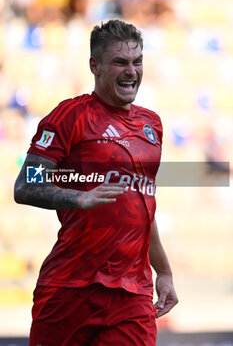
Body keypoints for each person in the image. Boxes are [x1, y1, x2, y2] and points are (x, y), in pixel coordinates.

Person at [14, 19, 178, 346]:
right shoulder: (70, 116)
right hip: (70, 288)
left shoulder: (152, 125)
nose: (131, 71)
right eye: (120, 62)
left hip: (132, 294)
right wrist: (79, 197)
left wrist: (165, 271)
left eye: (137, 61)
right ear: (95, 66)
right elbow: (25, 185)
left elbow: (142, 206)